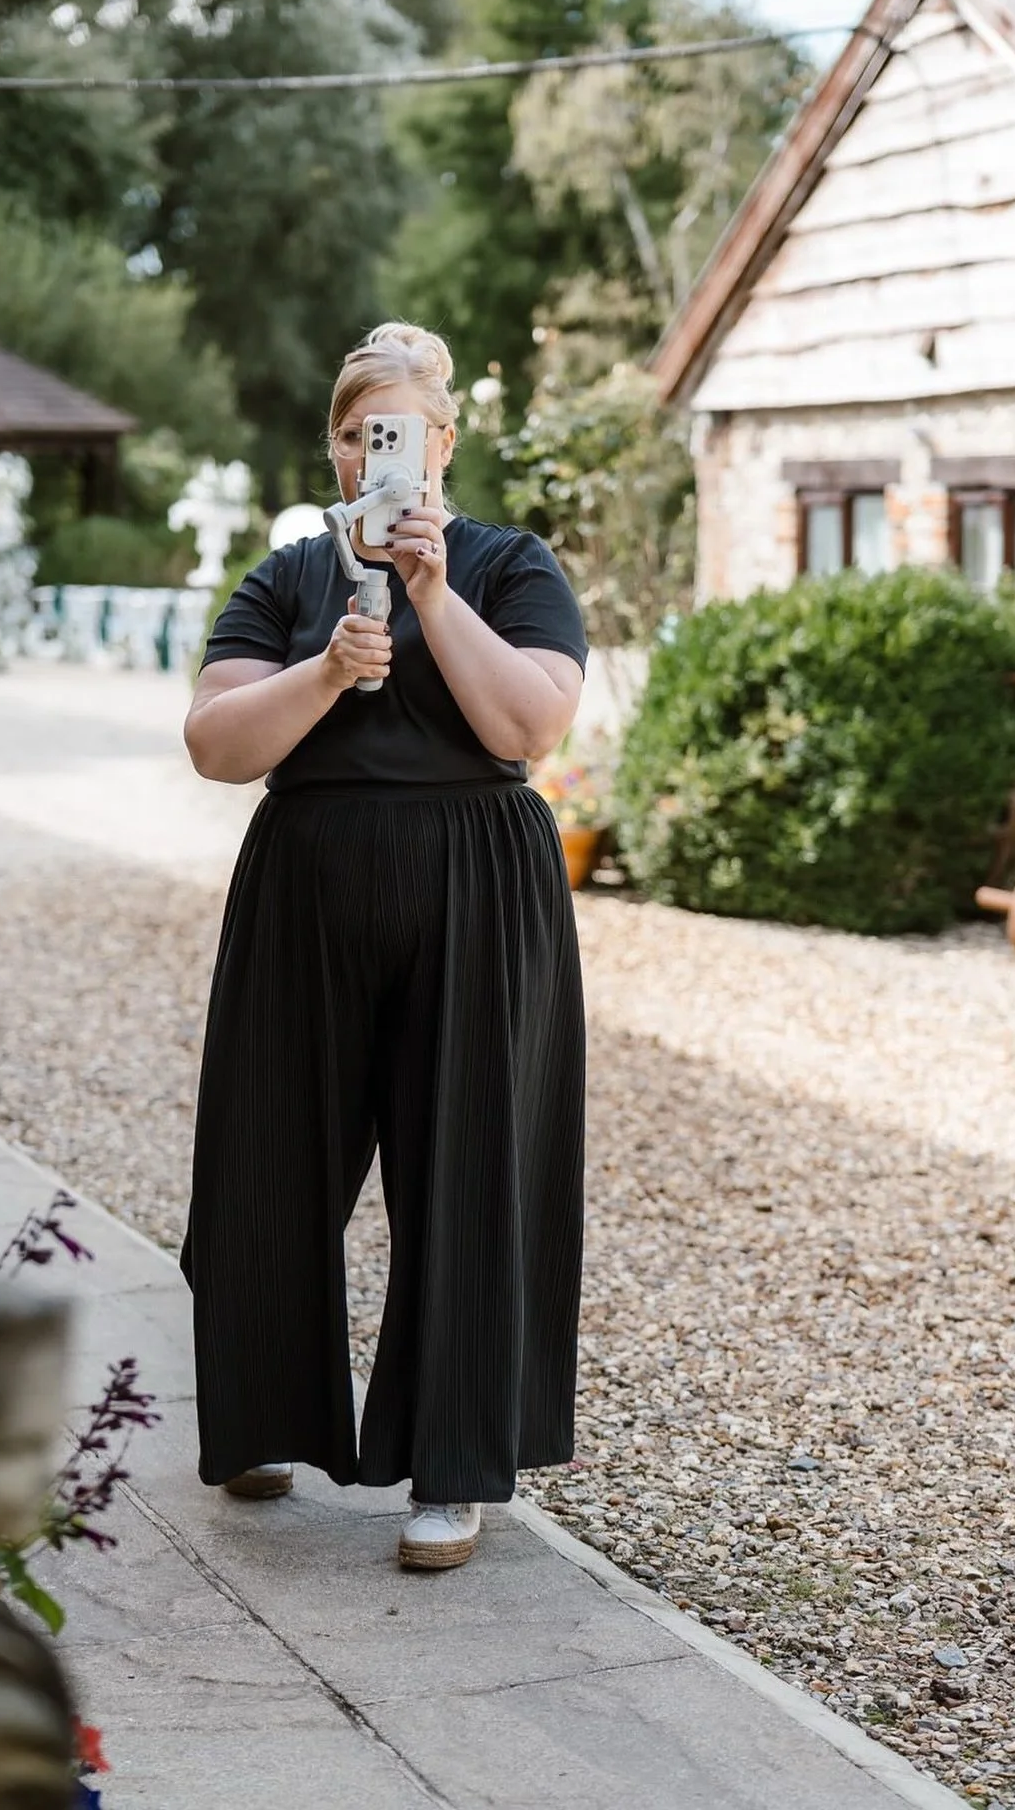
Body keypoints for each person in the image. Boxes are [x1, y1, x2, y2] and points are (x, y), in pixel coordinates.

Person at [180, 322, 587, 1572]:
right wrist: (321, 675)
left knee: (468, 1170)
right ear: (338, 448)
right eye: (362, 435)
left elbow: (535, 721)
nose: (380, 452)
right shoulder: (291, 575)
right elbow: (214, 742)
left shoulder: (513, 565)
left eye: (402, 431)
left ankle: (451, 1466)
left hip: (480, 891)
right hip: (305, 888)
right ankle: (262, 1420)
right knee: (265, 1155)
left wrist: (428, 594)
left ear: (445, 442)